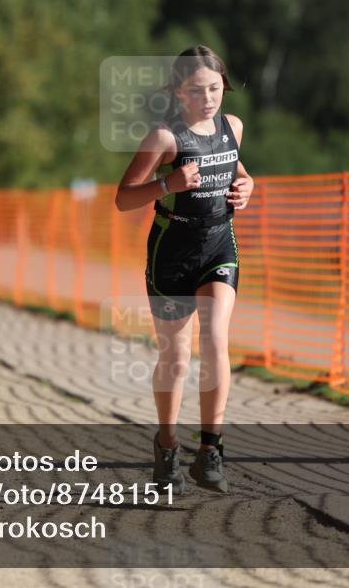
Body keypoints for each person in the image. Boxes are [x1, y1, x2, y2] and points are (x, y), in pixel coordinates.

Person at [115, 46, 254, 494]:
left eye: (215, 88)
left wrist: (248, 185)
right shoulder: (164, 138)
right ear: (178, 92)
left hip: (218, 244)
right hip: (171, 250)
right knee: (175, 359)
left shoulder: (232, 127)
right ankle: (168, 445)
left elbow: (236, 171)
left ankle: (211, 450)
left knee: (215, 339)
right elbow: (124, 197)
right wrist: (168, 184)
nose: (208, 98)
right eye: (197, 91)